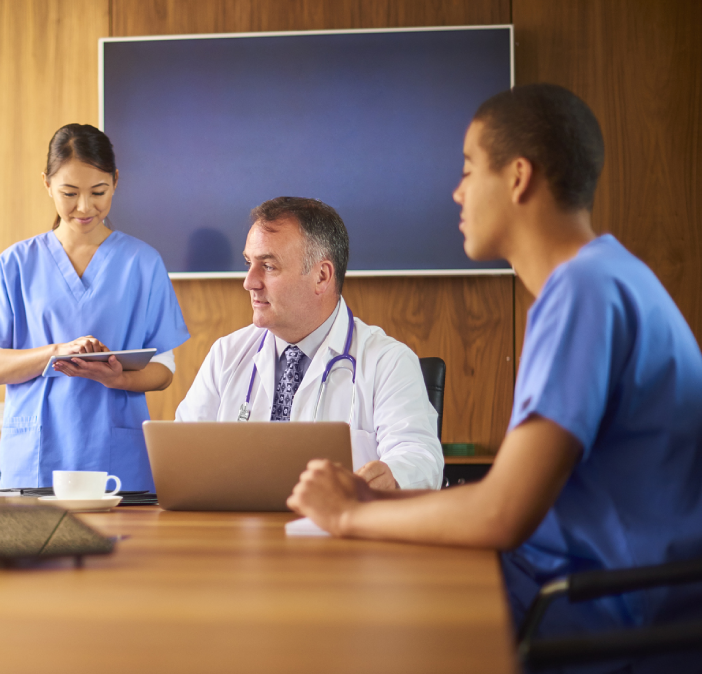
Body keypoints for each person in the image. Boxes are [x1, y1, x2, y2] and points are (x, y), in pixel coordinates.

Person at [287, 84, 702, 657]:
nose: (457, 192)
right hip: (576, 586)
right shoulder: (607, 277)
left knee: (339, 630)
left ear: (517, 177)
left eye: (468, 169)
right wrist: (374, 502)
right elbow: (515, 496)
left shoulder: (583, 291)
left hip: (594, 613)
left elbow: (502, 513)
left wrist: (349, 516)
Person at [0, 124, 190, 491]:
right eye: (69, 193)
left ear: (116, 181)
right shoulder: (17, 263)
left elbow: (163, 369)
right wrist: (57, 352)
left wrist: (120, 378)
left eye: (98, 191)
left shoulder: (143, 262)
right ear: (47, 184)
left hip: (116, 460)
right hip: (36, 459)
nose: (85, 207)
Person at [176, 197, 444, 490]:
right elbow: (181, 454)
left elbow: (421, 457)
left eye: (268, 265)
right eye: (248, 263)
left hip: (338, 529)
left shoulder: (388, 362)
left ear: (321, 276)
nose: (249, 282)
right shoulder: (227, 355)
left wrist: (392, 475)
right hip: (241, 529)